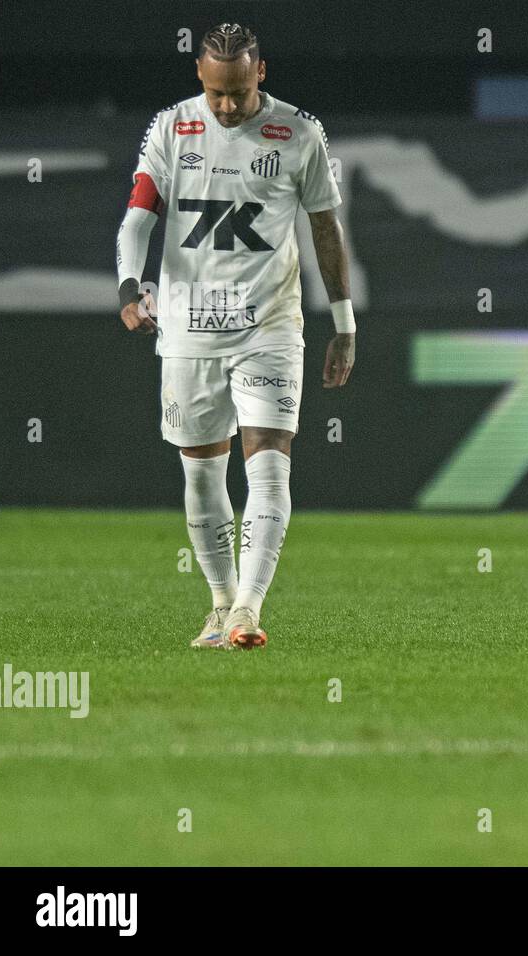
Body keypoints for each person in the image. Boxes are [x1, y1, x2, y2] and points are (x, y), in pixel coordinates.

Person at [115, 22, 356, 649]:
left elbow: (325, 229)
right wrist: (127, 285)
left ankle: (249, 609)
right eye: (218, 93)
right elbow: (138, 216)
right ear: (200, 76)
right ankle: (220, 606)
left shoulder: (299, 132)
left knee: (270, 468)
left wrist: (344, 322)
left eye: (240, 93)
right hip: (188, 327)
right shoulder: (172, 127)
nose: (228, 106)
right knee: (201, 476)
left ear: (261, 74)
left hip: (269, 326)